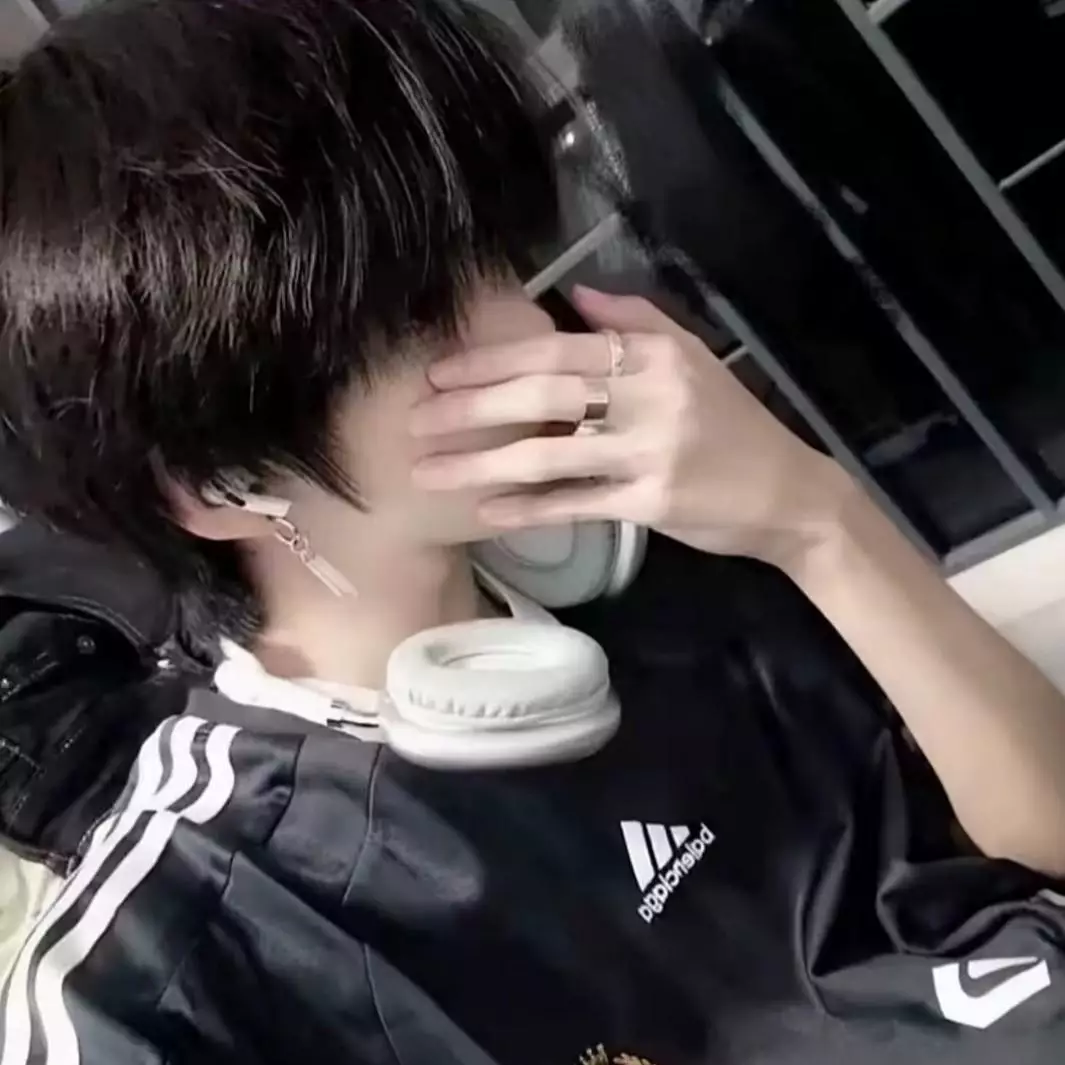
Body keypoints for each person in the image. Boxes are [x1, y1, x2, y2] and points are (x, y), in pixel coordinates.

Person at [0, 1, 1064, 1063]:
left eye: (495, 252)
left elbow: (1040, 839)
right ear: (223, 479)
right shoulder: (179, 959)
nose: (522, 321)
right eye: (423, 315)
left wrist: (815, 521)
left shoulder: (681, 533)